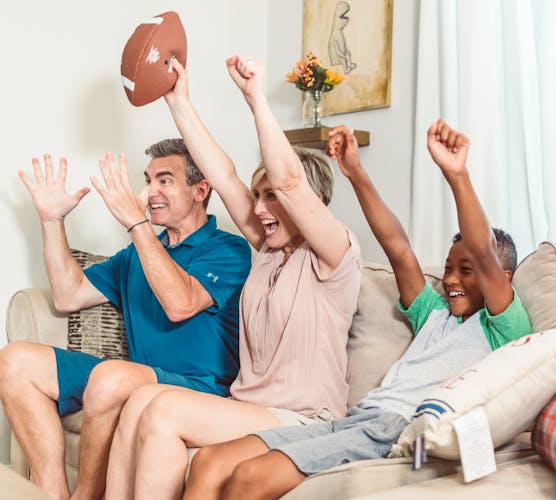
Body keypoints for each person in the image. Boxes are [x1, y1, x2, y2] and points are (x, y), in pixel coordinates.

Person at [182, 120, 533, 499]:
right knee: (210, 462)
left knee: (251, 476)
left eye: (467, 272)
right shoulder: (434, 313)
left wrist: (456, 176)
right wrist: (355, 172)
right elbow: (396, 246)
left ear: (503, 279)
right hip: (359, 418)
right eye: (449, 269)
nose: (450, 280)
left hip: (401, 429)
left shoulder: (503, 325)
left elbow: (482, 250)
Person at [103, 57, 362, 500]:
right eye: (257, 197)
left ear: (310, 204)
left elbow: (291, 181)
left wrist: (256, 98)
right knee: (142, 400)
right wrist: (177, 100)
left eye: (272, 198)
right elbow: (221, 174)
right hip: (246, 409)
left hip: (305, 418)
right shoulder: (266, 250)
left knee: (163, 408)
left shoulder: (335, 255)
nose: (259, 209)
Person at [0, 139, 251, 500]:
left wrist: (137, 225)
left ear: (200, 189)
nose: (150, 193)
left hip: (201, 390)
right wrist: (51, 221)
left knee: (111, 376)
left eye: (165, 180)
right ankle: (50, 490)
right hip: (133, 382)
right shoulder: (139, 252)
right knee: (14, 361)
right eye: (148, 181)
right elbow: (68, 295)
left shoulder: (229, 249)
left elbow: (179, 303)